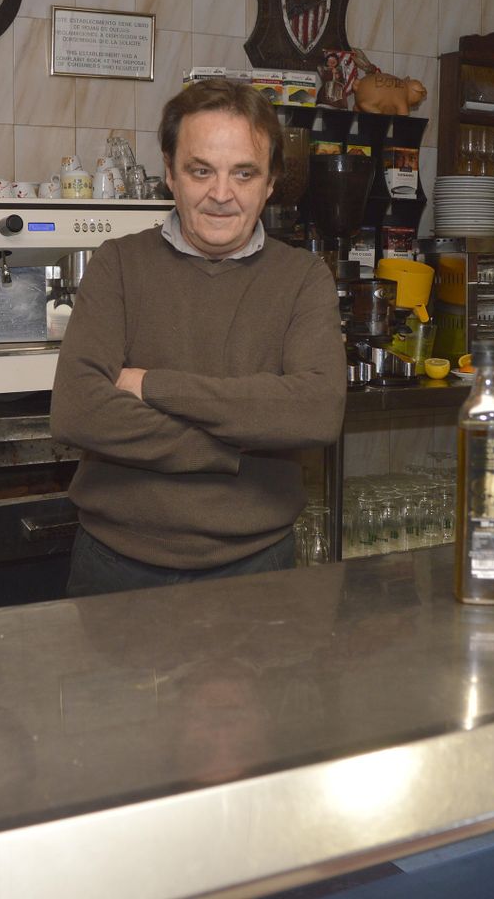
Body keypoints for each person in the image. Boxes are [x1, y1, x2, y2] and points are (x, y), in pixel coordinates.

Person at [51, 78, 346, 596]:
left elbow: (316, 410)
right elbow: (79, 410)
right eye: (200, 170)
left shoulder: (303, 277)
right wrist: (233, 450)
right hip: (115, 567)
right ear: (170, 173)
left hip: (257, 569)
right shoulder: (118, 264)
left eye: (244, 173)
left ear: (271, 182)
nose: (221, 195)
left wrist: (153, 386)